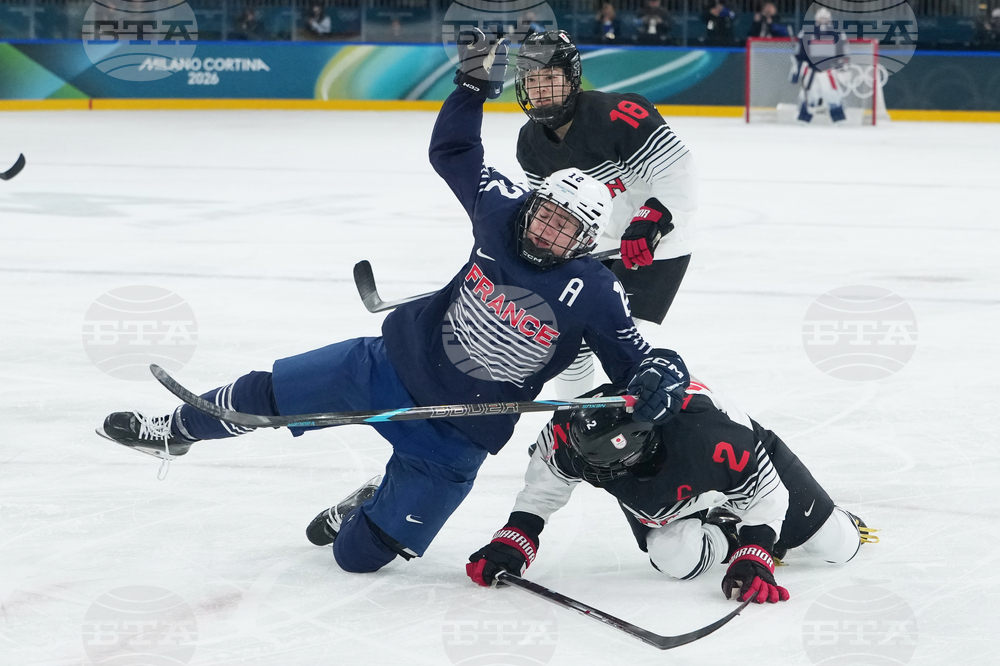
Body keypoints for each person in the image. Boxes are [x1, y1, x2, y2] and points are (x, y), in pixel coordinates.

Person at [97, 30, 691, 575]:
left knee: (357, 558)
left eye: (568, 232)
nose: (548, 234)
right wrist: (469, 90)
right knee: (267, 393)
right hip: (388, 367)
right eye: (547, 217)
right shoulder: (502, 209)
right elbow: (453, 153)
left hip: (455, 437)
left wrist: (663, 378)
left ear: (587, 243)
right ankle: (175, 429)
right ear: (534, 204)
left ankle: (369, 505)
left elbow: (633, 364)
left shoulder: (594, 290)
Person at [466, 379, 879, 604]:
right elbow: (542, 490)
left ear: (644, 445)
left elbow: (765, 496)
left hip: (741, 473)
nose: (589, 472)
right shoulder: (569, 435)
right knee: (676, 561)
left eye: (604, 467)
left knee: (838, 545)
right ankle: (725, 532)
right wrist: (517, 538)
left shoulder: (713, 440)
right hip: (674, 494)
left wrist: (757, 549)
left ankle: (836, 521)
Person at [514, 31, 698, 400]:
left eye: (550, 78)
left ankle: (636, 423)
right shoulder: (530, 144)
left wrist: (650, 221)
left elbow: (678, 170)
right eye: (532, 80)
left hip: (655, 247)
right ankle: (570, 423)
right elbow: (550, 211)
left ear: (571, 78)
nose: (540, 89)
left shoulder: (616, 114)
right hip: (591, 251)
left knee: (610, 343)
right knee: (565, 340)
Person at [790, 8, 849, 123]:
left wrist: (842, 68)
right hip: (812, 71)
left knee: (833, 95)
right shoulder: (807, 32)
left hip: (829, 72)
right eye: (821, 18)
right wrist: (797, 70)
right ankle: (803, 119)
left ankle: (839, 119)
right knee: (808, 96)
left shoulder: (837, 33)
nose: (823, 21)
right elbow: (800, 54)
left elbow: (843, 53)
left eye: (825, 18)